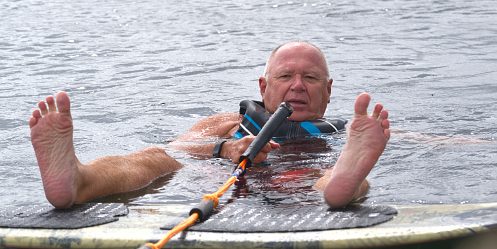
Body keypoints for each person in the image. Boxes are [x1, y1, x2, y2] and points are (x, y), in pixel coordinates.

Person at [29, 41, 390, 209]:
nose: (297, 85)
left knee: (330, 174)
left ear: (328, 92)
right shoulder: (226, 123)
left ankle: (344, 184)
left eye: (310, 78)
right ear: (263, 87)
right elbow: (176, 148)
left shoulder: (353, 133)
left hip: (302, 179)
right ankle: (77, 181)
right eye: (285, 76)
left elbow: (431, 141)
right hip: (215, 178)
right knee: (156, 156)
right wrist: (223, 148)